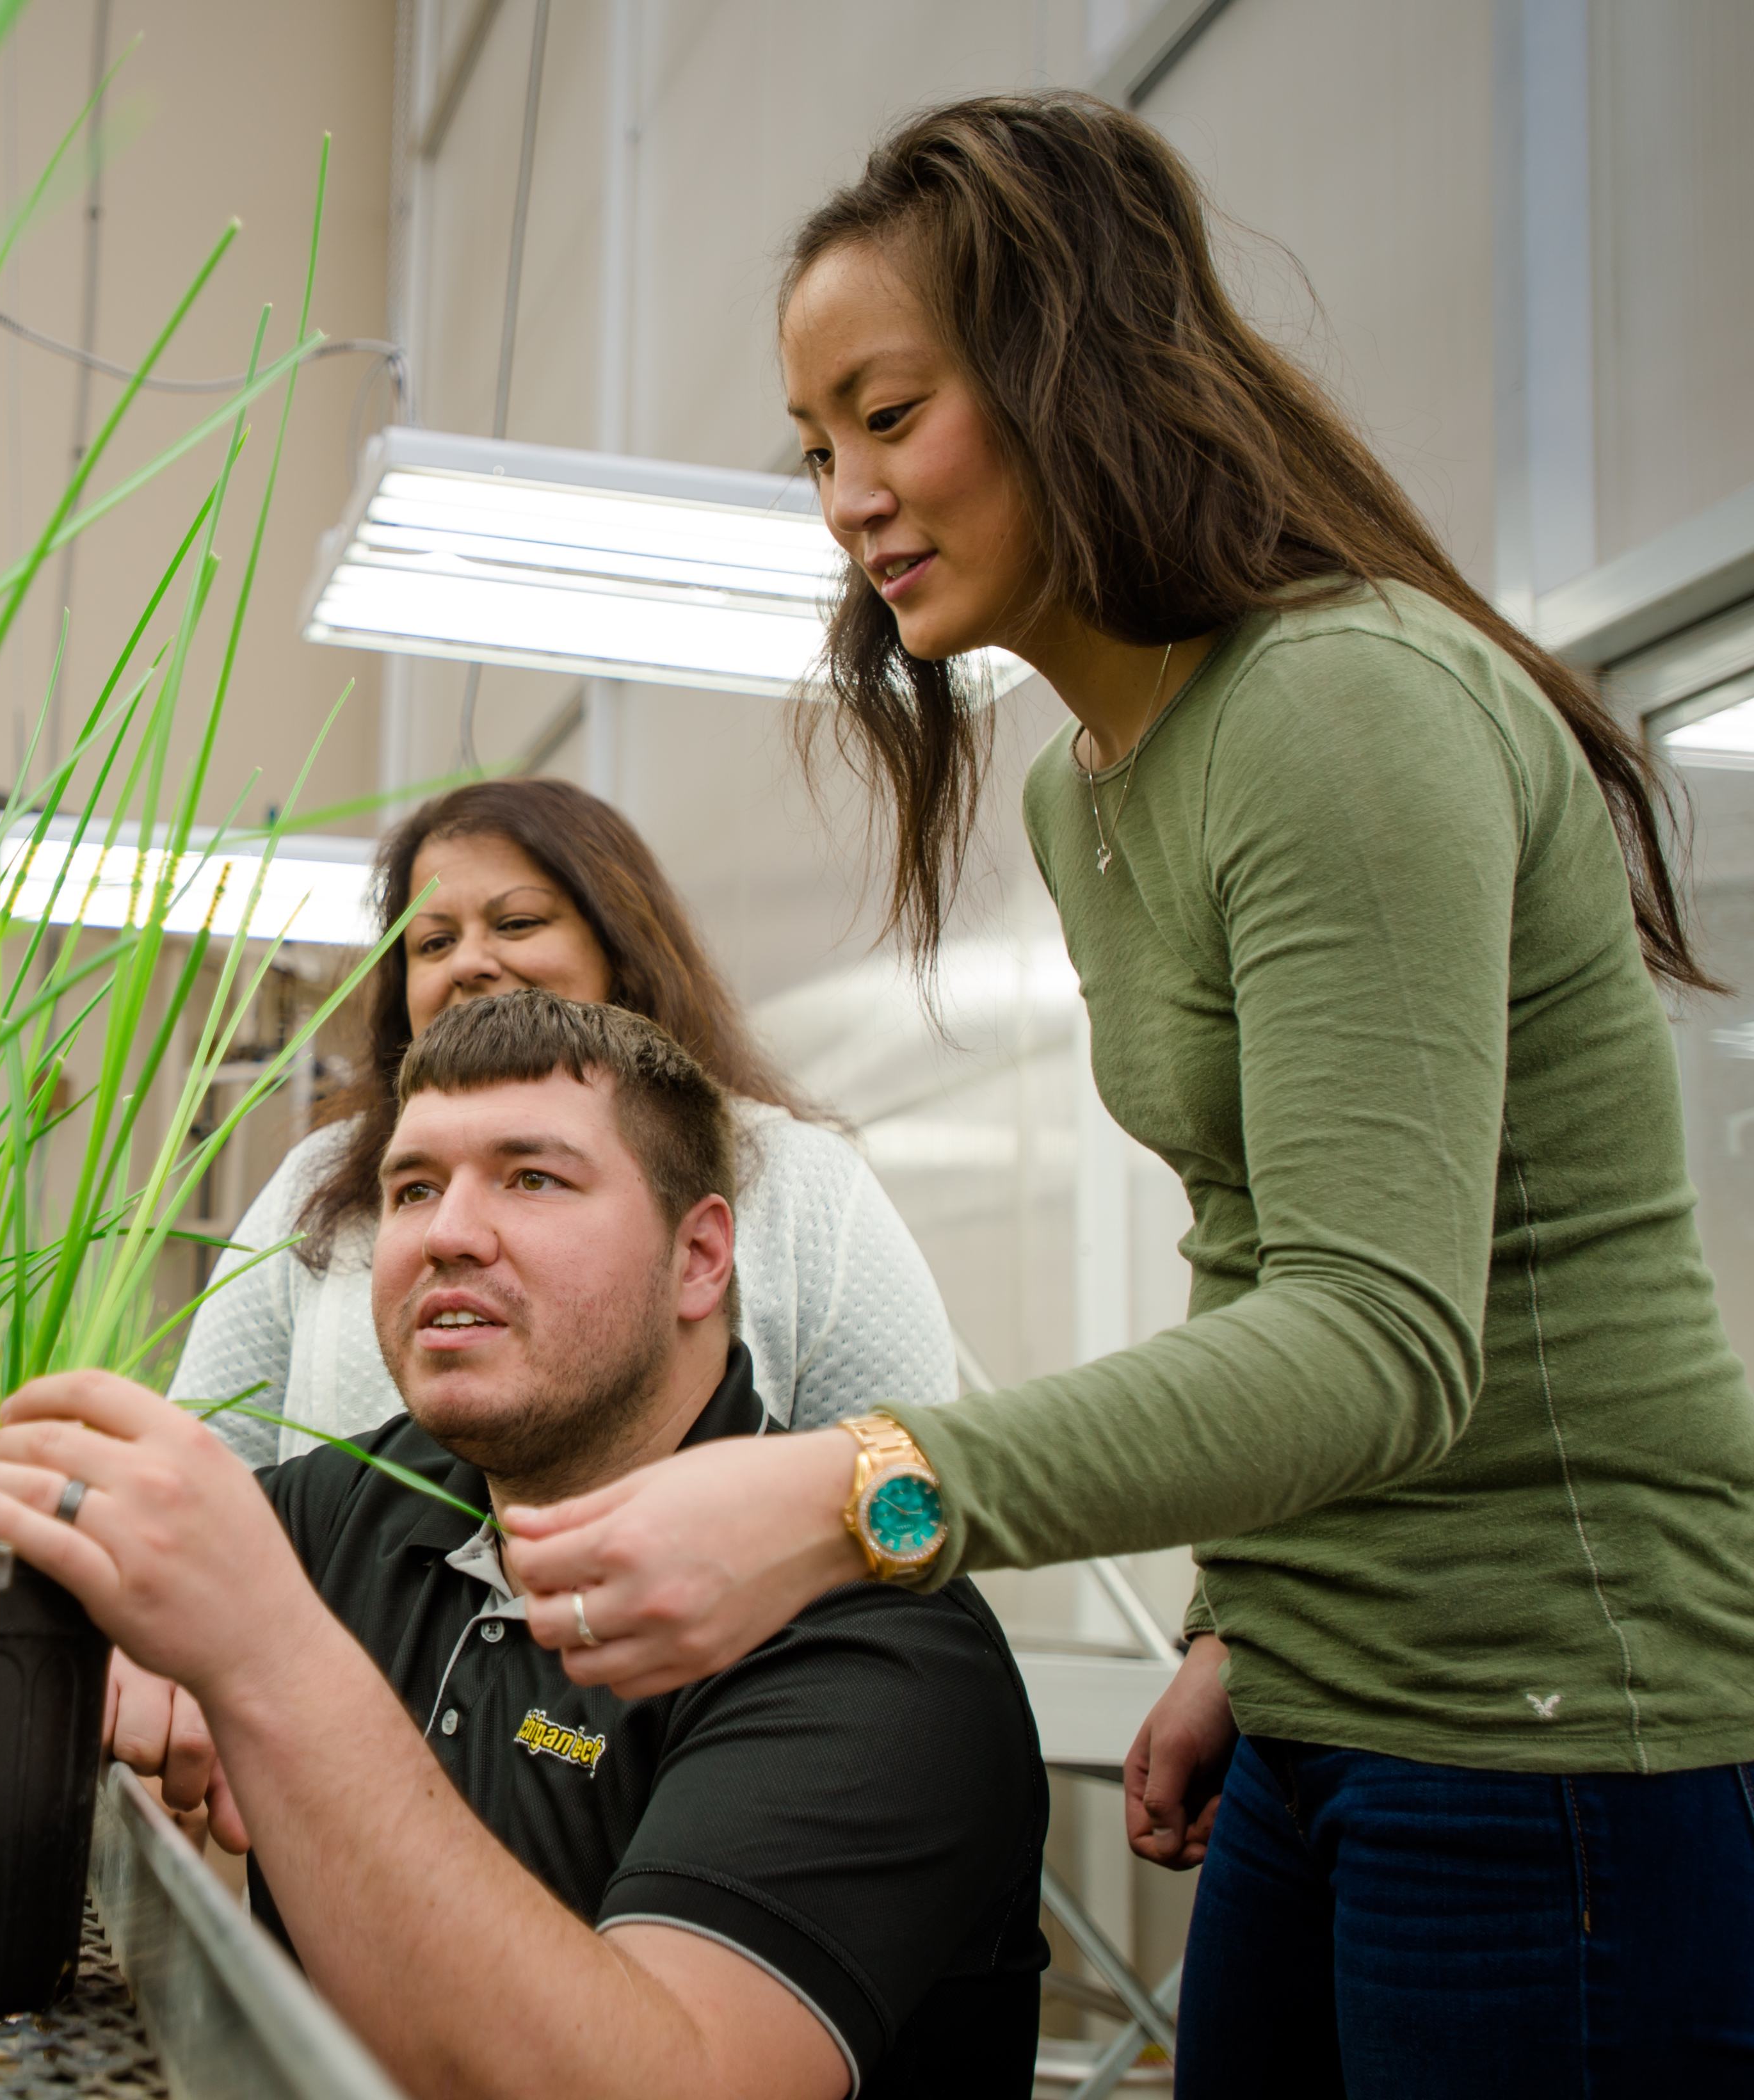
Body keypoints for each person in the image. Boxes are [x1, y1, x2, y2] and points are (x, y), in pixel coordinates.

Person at [485, 91, 1754, 2094]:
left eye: (887, 414)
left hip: (1550, 1729)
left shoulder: (1339, 709)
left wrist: (850, 1493)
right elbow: (1257, 1257)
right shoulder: (1099, 789)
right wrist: (1237, 1624)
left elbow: (1377, 1331)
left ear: (1066, 366)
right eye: (814, 445)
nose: (843, 493)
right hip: (1321, 1702)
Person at [0, 992, 1047, 2100]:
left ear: (700, 1259)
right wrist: (93, 1636)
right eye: (413, 1188)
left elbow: (677, 2082)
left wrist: (263, 1657)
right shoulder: (359, 1506)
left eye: (533, 1179)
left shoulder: (869, 1635)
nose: (445, 1233)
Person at [173, 776, 953, 1460]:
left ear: (622, 947)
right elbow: (209, 1467)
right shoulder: (321, 1183)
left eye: (516, 924)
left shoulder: (798, 1179)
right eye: (433, 941)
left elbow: (907, 1476)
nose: (469, 961)